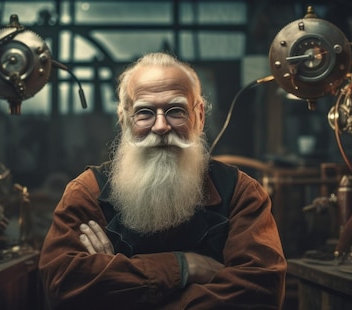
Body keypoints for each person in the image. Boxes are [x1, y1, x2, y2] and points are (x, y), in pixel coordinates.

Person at [38, 52, 287, 309]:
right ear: (124, 119)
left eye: (175, 110)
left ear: (199, 116)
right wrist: (183, 266)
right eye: (144, 112)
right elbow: (62, 286)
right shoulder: (87, 192)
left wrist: (120, 286)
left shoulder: (240, 193)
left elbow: (260, 293)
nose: (160, 126)